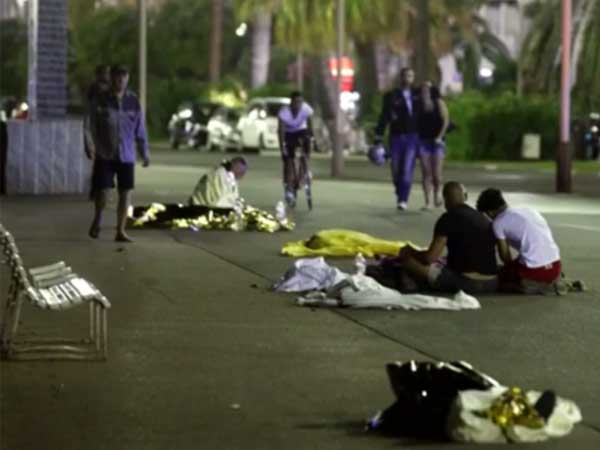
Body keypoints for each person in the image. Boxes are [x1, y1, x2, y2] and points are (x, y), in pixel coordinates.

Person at [392, 182, 498, 294]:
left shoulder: (447, 218)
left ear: (445, 200)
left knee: (408, 262)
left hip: (465, 283)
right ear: (465, 197)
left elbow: (429, 258)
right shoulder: (483, 218)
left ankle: (414, 287)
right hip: (492, 283)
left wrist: (411, 251)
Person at [87, 65, 150, 242]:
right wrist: (90, 145)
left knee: (126, 193)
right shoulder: (101, 100)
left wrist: (144, 152)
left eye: (124, 76)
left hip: (127, 155)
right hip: (105, 154)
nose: (121, 80)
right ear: (112, 78)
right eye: (118, 76)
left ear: (127, 79)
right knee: (103, 191)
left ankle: (120, 231)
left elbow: (140, 129)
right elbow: (91, 125)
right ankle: (98, 219)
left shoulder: (133, 101)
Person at [476, 188, 562, 293]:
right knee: (517, 263)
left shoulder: (498, 223)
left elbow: (505, 255)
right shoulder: (529, 210)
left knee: (499, 280)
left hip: (536, 271)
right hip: (556, 265)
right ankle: (553, 279)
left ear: (489, 212)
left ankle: (539, 286)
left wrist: (508, 272)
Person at [374, 67, 420, 210]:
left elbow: (426, 115)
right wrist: (378, 136)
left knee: (407, 169)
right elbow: (384, 116)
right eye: (405, 76)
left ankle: (403, 199)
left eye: (411, 76)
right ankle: (400, 189)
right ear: (401, 78)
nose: (408, 78)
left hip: (412, 137)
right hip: (396, 137)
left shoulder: (417, 95)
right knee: (395, 170)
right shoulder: (391, 95)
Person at [278, 91, 314, 208]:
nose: (298, 105)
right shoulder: (284, 113)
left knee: (307, 143)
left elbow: (310, 124)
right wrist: (282, 148)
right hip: (289, 133)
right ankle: (289, 185)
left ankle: (304, 172)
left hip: (301, 131)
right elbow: (281, 131)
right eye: (296, 102)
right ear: (291, 103)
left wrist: (311, 138)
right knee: (288, 158)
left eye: (300, 102)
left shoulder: (306, 109)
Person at [417, 82, 450, 210]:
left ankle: (437, 196)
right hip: (423, 141)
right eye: (423, 88)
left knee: (437, 174)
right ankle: (428, 202)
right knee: (426, 172)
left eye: (427, 88)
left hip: (437, 143)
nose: (424, 90)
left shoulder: (439, 103)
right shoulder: (419, 104)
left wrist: (439, 136)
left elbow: (446, 120)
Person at [85, 64, 111, 200]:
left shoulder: (109, 88)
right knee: (100, 162)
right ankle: (97, 190)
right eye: (105, 73)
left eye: (108, 73)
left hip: (105, 130)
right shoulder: (95, 89)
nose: (107, 76)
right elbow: (90, 112)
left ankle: (99, 189)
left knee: (103, 163)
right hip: (97, 129)